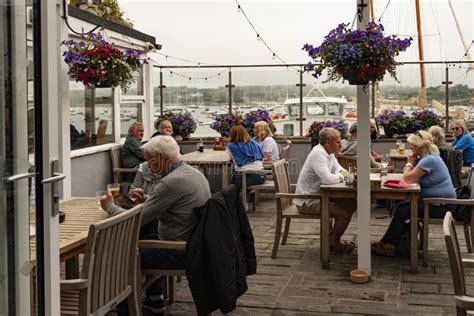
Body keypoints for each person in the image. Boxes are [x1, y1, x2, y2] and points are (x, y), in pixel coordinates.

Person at [101, 135, 211, 314]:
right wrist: (146, 198)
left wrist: (110, 206)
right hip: (194, 243)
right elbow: (173, 202)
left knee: (122, 257)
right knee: (148, 229)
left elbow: (131, 220)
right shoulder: (193, 173)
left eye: (149, 160)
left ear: (161, 158)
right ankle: (155, 299)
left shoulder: (170, 182)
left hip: (178, 251)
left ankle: (126, 310)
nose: (148, 165)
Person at [371, 130, 456, 257]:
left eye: (412, 145)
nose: (410, 147)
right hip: (437, 202)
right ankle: (393, 244)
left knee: (403, 211)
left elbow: (407, 178)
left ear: (420, 146)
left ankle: (387, 244)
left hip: (443, 206)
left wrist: (409, 163)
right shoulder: (429, 157)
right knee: (402, 207)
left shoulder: (429, 160)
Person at [295, 127, 357, 254]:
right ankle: (333, 243)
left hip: (320, 195)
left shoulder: (328, 153)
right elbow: (328, 179)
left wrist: (341, 174)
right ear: (328, 142)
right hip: (308, 200)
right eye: (338, 142)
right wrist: (342, 176)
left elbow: (339, 168)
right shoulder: (318, 154)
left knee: (352, 203)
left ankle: (331, 240)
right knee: (344, 215)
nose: (341, 144)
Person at [227, 125, 266, 191]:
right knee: (237, 178)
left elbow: (231, 159)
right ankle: (247, 196)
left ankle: (238, 200)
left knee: (233, 184)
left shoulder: (231, 146)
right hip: (262, 176)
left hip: (247, 176)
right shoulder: (253, 142)